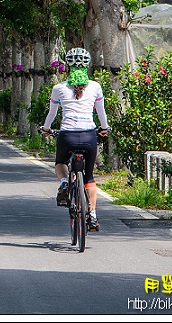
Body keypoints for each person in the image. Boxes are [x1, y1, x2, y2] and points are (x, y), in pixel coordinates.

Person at [40, 47, 111, 232]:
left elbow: (52, 114)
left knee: (60, 163)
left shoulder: (58, 89)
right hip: (89, 136)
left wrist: (46, 129)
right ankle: (93, 216)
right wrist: (104, 129)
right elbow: (101, 113)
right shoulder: (95, 87)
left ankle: (64, 183)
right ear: (87, 66)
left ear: (67, 66)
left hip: (67, 136)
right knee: (89, 177)